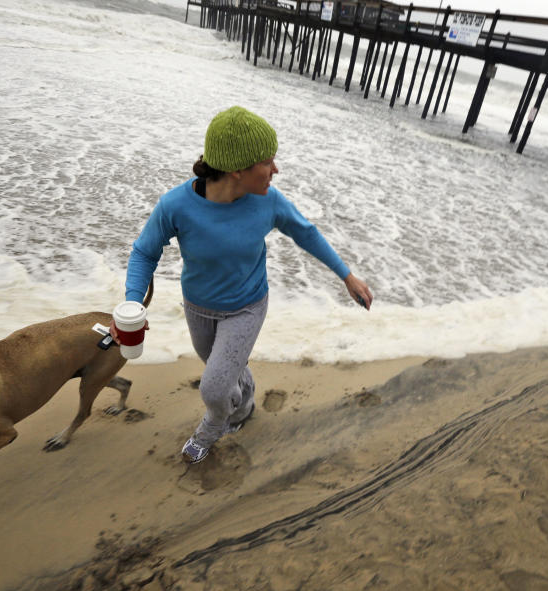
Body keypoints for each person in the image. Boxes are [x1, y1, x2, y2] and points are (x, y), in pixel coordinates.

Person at [121, 106, 373, 464]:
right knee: (222, 369)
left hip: (247, 306)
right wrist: (133, 304)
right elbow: (144, 252)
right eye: (268, 162)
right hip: (197, 307)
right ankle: (247, 393)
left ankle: (220, 424)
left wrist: (347, 276)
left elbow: (306, 232)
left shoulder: (268, 202)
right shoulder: (176, 206)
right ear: (237, 170)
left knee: (214, 387)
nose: (276, 169)